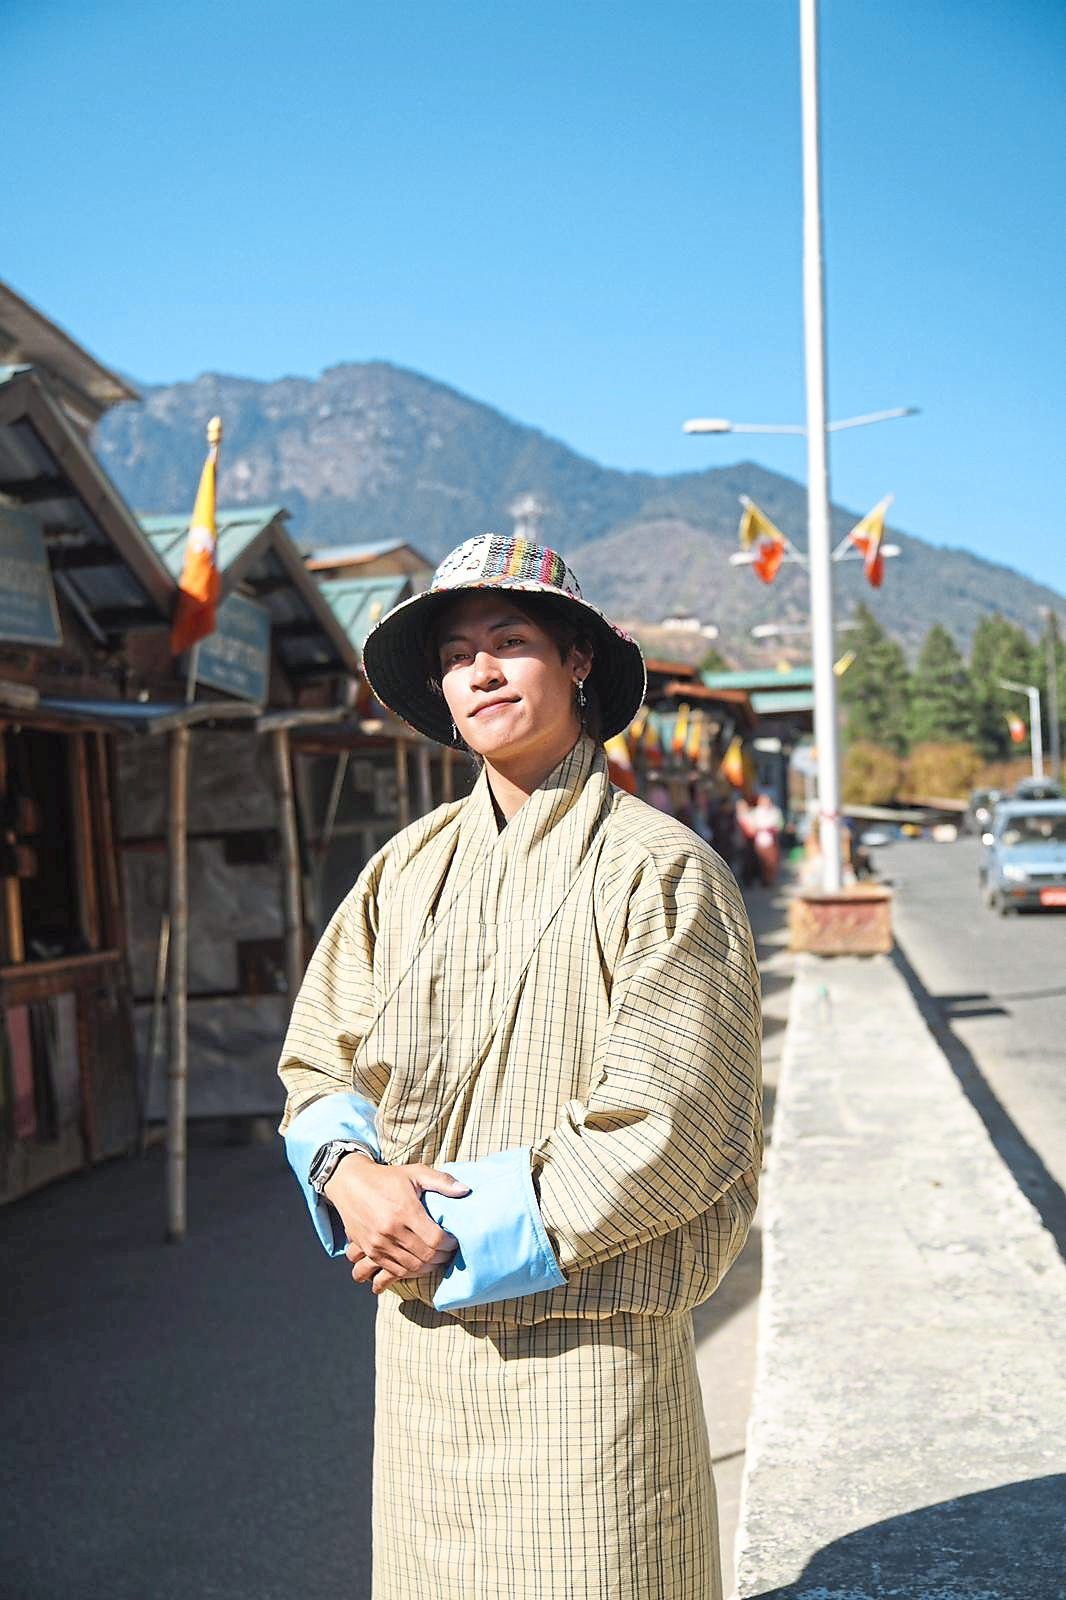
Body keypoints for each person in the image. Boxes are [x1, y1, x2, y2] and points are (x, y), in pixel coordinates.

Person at [277, 533, 763, 1600]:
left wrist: (444, 1229)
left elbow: (669, 1128)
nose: (481, 672)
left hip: (590, 1365)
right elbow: (318, 1060)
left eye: (510, 641)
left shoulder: (660, 871)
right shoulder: (402, 873)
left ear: (578, 659)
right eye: (457, 655)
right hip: (421, 1356)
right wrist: (349, 1177)